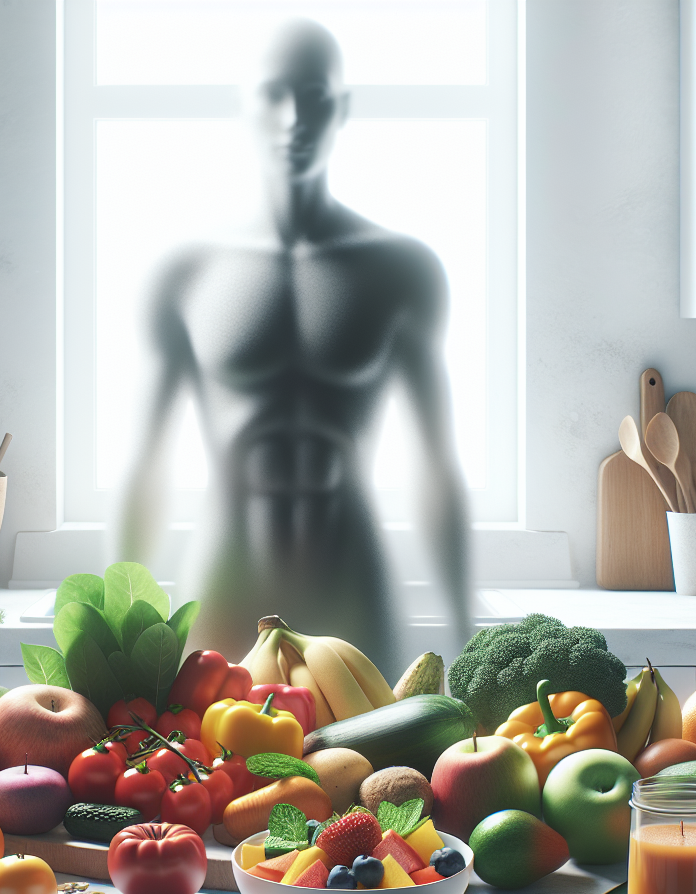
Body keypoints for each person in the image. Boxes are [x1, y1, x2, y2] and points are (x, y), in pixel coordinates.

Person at [118, 19, 469, 681]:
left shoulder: (401, 270)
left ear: (341, 108)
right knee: (213, 777)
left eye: (313, 95)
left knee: (375, 786)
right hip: (226, 575)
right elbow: (146, 467)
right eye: (275, 94)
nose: (293, 117)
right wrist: (114, 628)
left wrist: (464, 628)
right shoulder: (187, 271)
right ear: (246, 106)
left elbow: (436, 466)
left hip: (353, 580)